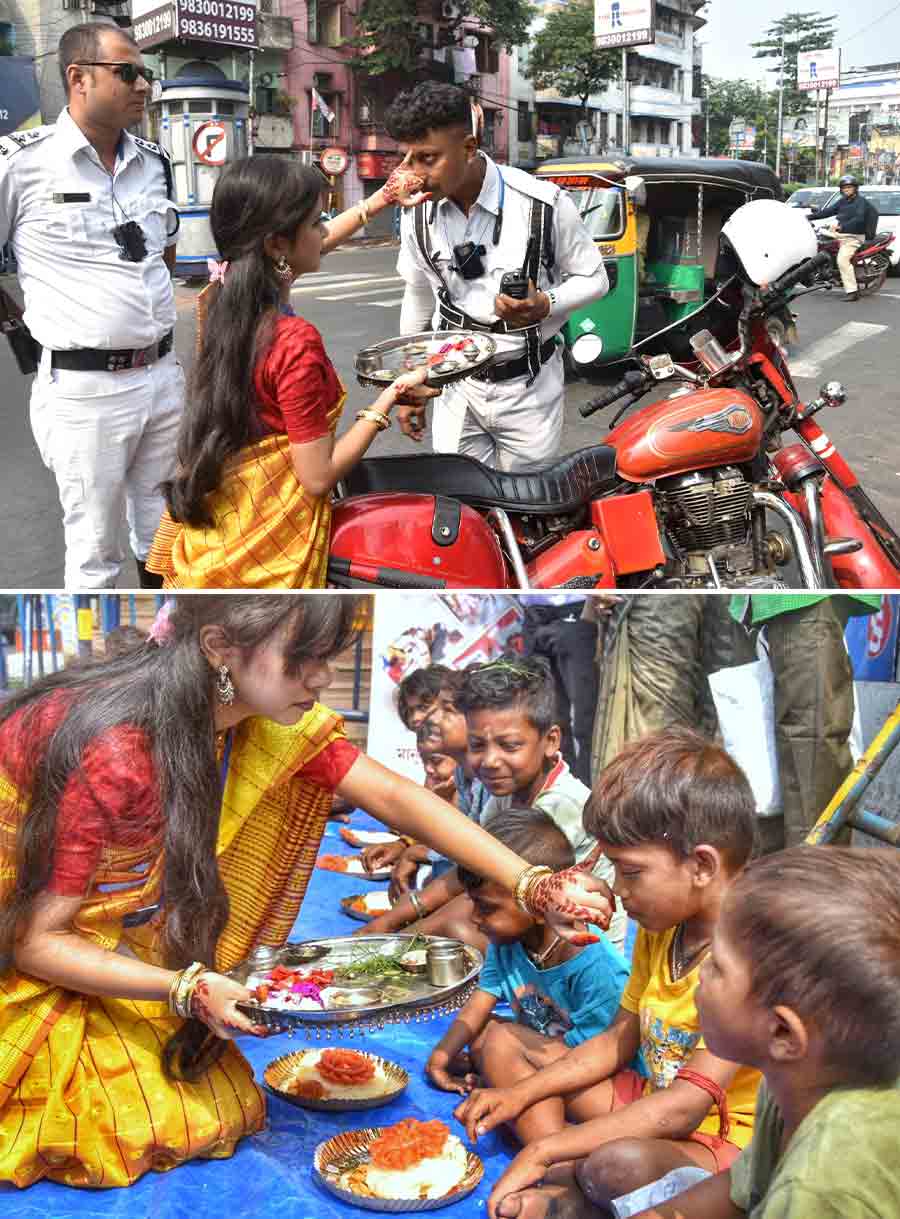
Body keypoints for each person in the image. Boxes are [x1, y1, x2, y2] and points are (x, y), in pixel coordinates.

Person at [0, 594, 617, 1191]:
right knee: (157, 1121)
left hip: (96, 939)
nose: (323, 677)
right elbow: (36, 940)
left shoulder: (248, 718)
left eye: (328, 656)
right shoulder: (120, 751)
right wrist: (186, 988)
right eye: (303, 658)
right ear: (219, 647)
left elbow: (394, 796)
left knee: (219, 1095)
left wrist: (533, 882)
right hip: (22, 953)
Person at [455, 729, 762, 1219]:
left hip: (719, 1141)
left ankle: (571, 1181)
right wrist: (518, 1095)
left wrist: (545, 1148)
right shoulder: (667, 929)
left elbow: (684, 1108)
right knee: (501, 1042)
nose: (617, 889)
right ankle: (569, 1178)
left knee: (618, 1165)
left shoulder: (748, 959)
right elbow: (618, 1040)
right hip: (651, 1101)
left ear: (702, 865)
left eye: (631, 871)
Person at [146, 155, 437, 588]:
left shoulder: (225, 297)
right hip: (266, 547)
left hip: (220, 536)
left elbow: (312, 245)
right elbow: (317, 477)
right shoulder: (293, 342)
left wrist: (379, 201)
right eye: (315, 223)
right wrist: (388, 398)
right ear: (277, 245)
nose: (324, 232)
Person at [0, 22, 183, 588]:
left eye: (145, 74)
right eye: (127, 72)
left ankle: (163, 634)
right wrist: (14, 320)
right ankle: (100, 645)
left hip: (162, 376)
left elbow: (164, 254)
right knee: (95, 550)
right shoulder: (19, 162)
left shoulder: (154, 161)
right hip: (85, 392)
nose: (143, 85)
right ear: (78, 78)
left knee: (167, 535)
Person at [626, 847, 900, 1219]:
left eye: (718, 967)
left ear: (783, 1033)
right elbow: (744, 1189)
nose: (701, 974)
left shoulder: (821, 1187)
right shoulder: (796, 1080)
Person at [386, 81, 609, 470]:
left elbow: (595, 279)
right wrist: (410, 382)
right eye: (407, 158)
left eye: (427, 158)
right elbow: (419, 293)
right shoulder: (416, 214)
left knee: (525, 500)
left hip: (529, 391)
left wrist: (545, 304)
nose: (414, 175)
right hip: (456, 388)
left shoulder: (542, 204)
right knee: (461, 498)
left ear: (468, 147)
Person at [426, 805, 630, 1123]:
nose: (475, 918)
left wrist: (510, 1063)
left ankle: (549, 1141)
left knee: (499, 1039)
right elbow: (479, 1004)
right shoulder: (508, 944)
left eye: (486, 907)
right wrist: (440, 1058)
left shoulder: (596, 966)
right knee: (484, 1032)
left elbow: (598, 1055)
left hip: (597, 1080)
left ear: (539, 907)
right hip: (543, 1054)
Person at [729, 593, 880, 853]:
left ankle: (813, 875)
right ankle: (779, 872)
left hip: (803, 604)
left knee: (812, 770)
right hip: (756, 610)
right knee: (763, 784)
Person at [521, 594, 600, 786]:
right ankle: (564, 791)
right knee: (548, 722)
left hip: (576, 609)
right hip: (533, 615)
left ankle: (594, 790)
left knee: (587, 721)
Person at [808, 175, 878, 301]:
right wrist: (808, 217)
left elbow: (859, 219)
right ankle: (827, 271)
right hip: (841, 234)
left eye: (849, 187)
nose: (847, 190)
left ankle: (852, 292)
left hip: (853, 237)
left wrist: (842, 227)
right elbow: (828, 212)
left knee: (842, 260)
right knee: (818, 241)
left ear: (855, 188)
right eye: (844, 188)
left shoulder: (861, 202)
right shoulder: (843, 201)